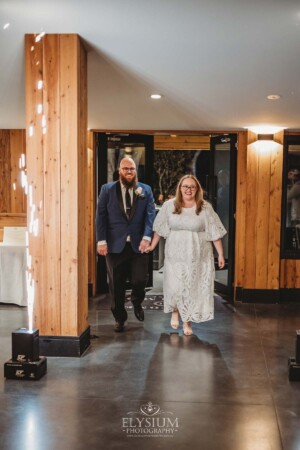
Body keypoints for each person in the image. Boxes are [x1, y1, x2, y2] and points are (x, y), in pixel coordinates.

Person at [146, 175, 226, 336]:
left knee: (191, 287)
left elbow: (214, 232)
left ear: (197, 189)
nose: (188, 190)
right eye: (185, 186)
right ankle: (175, 311)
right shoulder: (169, 206)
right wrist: (151, 246)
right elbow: (159, 229)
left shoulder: (205, 207)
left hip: (198, 254)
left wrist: (221, 255)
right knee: (175, 285)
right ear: (180, 188)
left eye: (192, 187)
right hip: (175, 254)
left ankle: (187, 321)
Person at [96, 157, 156, 332]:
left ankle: (137, 301)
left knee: (139, 280)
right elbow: (101, 217)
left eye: (132, 169)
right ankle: (120, 318)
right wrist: (101, 240)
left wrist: (147, 237)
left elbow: (150, 215)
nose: (129, 172)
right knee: (116, 284)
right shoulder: (107, 190)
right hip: (114, 246)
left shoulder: (145, 190)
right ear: (119, 171)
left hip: (139, 245)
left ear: (135, 170)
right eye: (126, 169)